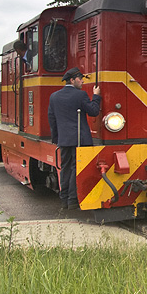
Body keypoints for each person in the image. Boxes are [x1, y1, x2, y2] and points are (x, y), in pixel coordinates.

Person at [47, 67, 101, 210]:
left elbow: (51, 119)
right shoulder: (80, 95)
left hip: (64, 140)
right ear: (72, 80)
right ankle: (72, 201)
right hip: (79, 139)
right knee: (75, 169)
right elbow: (94, 111)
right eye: (80, 78)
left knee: (65, 169)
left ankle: (64, 200)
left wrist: (57, 138)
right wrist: (96, 96)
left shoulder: (54, 96)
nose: (82, 81)